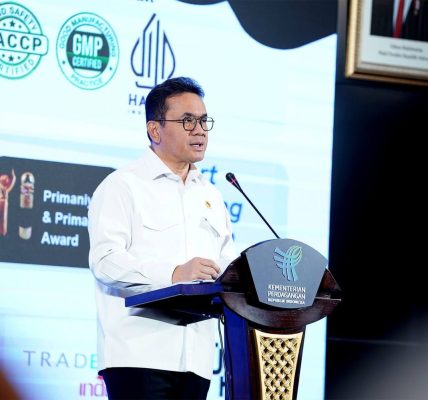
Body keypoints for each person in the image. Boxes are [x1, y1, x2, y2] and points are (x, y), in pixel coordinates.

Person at [88, 76, 237, 400]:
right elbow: (105, 262)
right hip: (138, 355)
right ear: (155, 130)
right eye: (188, 121)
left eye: (204, 121)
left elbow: (227, 266)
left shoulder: (211, 196)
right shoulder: (122, 186)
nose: (200, 130)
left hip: (197, 360)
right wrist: (173, 274)